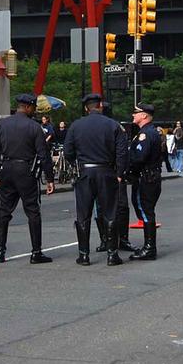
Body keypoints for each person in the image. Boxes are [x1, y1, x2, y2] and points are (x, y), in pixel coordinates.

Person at [63, 93, 128, 267]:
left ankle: (84, 255)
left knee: (83, 214)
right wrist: (119, 172)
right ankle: (112, 254)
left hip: (85, 171)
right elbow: (122, 152)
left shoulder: (76, 126)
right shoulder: (114, 125)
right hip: (106, 171)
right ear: (100, 106)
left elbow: (68, 150)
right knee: (110, 212)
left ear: (86, 108)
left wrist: (77, 162)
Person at [0, 93, 55, 263]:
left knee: (4, 210)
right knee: (32, 210)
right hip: (25, 170)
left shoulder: (2, 125)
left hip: (7, 168)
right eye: (33, 107)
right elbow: (44, 155)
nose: (34, 110)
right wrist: (49, 179)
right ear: (27, 107)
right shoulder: (34, 127)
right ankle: (36, 252)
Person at [129, 102, 166, 260]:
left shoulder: (145, 134)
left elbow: (139, 156)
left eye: (136, 113)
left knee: (145, 211)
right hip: (151, 176)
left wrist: (128, 167)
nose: (133, 115)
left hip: (146, 177)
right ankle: (149, 246)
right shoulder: (150, 131)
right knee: (145, 210)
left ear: (144, 115)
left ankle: (150, 248)